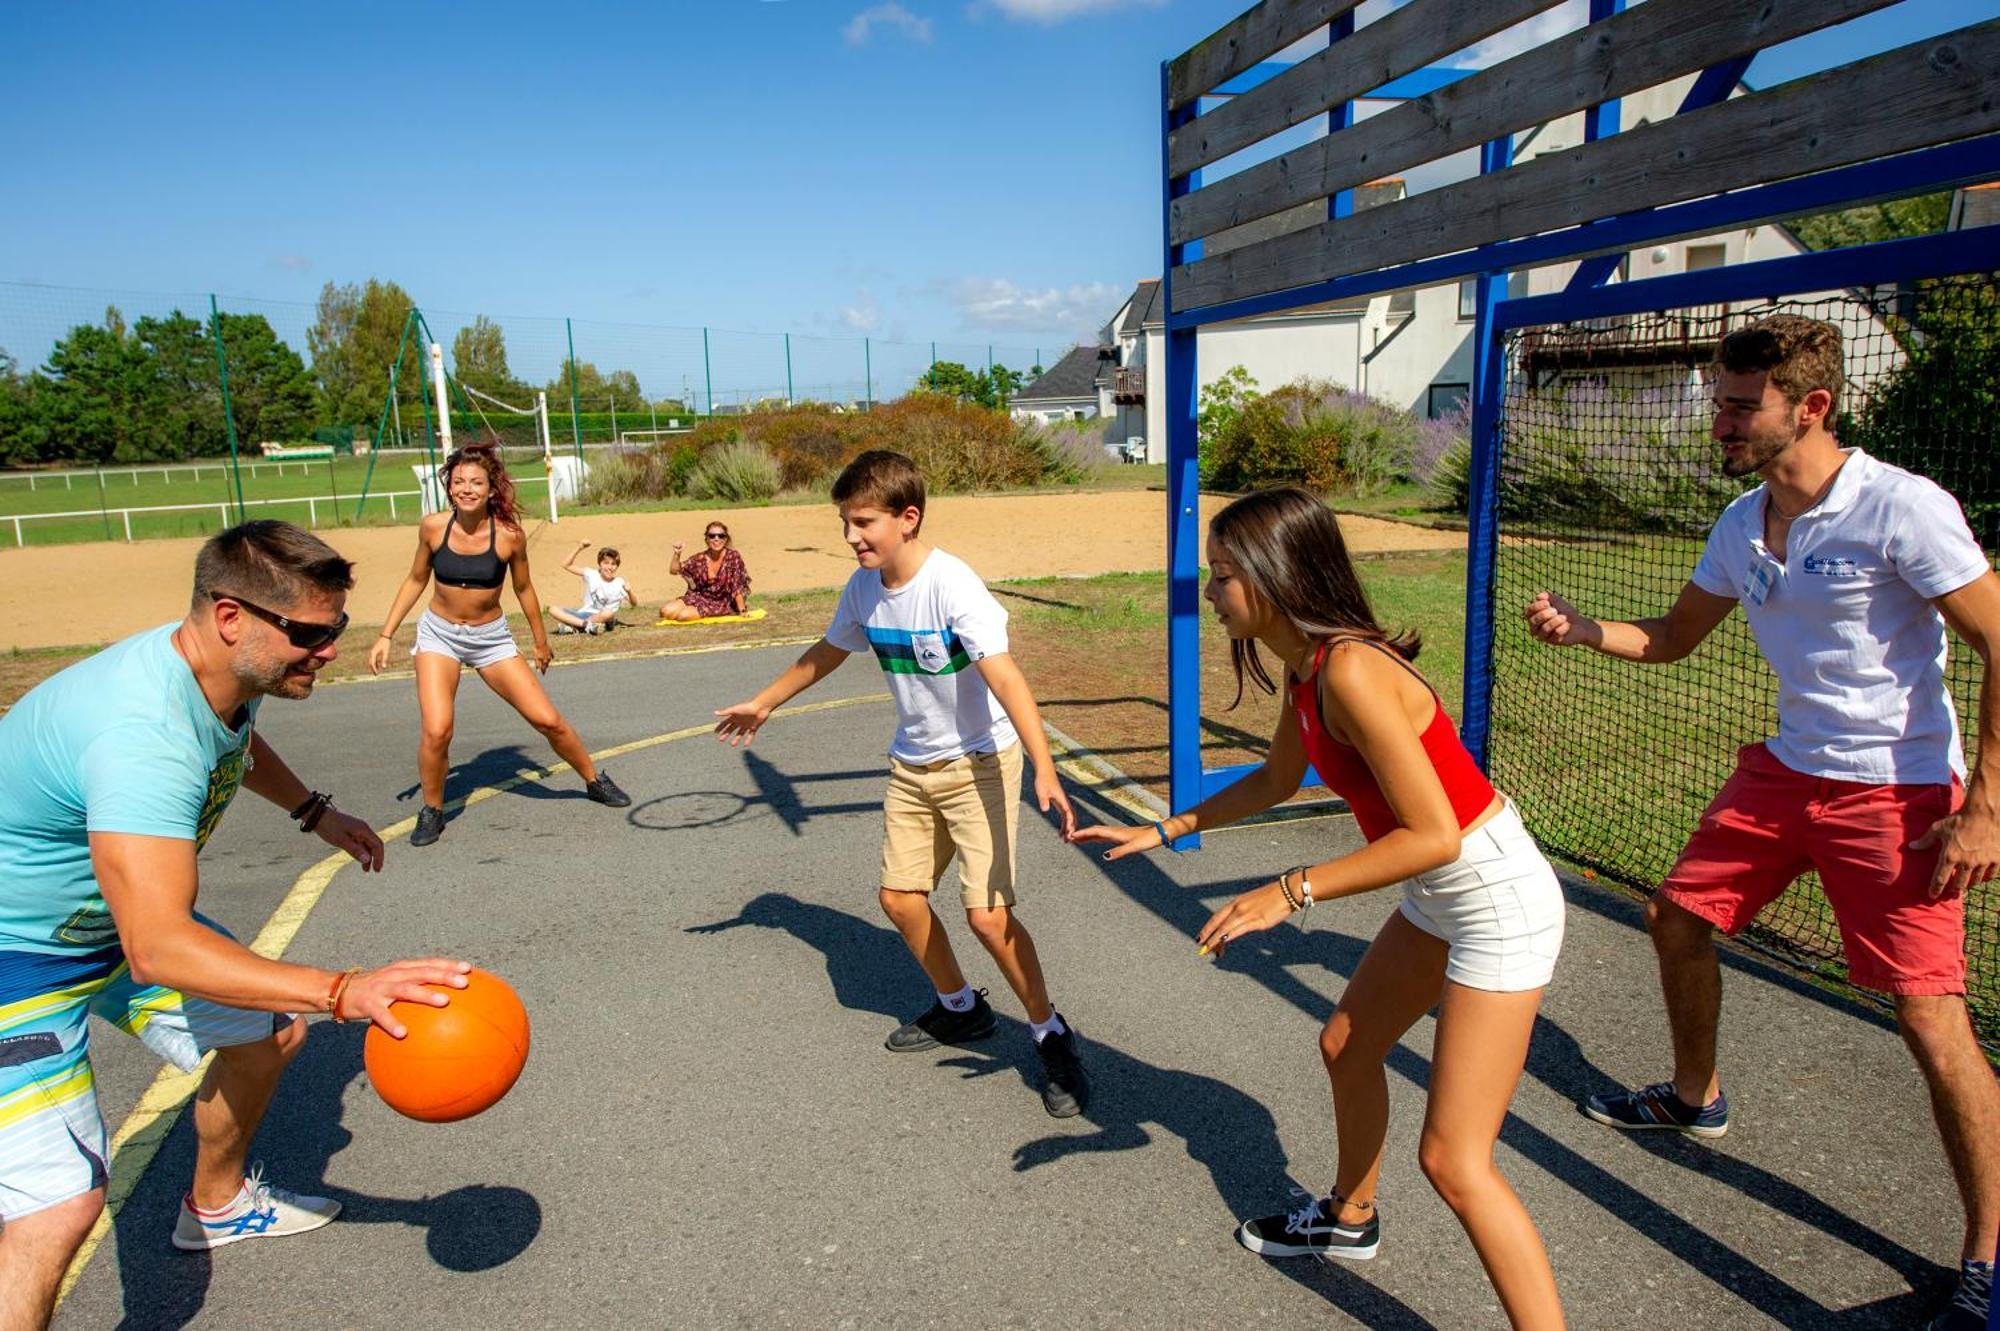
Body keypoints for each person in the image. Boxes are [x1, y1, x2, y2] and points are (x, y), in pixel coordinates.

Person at [1523, 313, 2000, 1331]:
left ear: (1810, 406)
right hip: (1784, 772)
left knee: (1927, 1015)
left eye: (1741, 406)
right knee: (1676, 916)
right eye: (1717, 403)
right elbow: (1669, 638)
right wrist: (1579, 628)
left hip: (1895, 790)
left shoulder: (1898, 508)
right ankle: (1694, 1094)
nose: (1720, 422)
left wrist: (1982, 808)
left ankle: (1987, 1258)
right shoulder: (1741, 520)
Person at [1075, 487, 1568, 1329]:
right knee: (1346, 1045)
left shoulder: (1352, 671)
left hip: (1493, 896)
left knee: (1455, 1160)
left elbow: (1435, 836)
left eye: (1223, 575)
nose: (1209, 590)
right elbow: (1275, 778)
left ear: (1275, 576)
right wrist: (1169, 826)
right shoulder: (1307, 668)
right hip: (1446, 891)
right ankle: (1349, 1218)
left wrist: (1290, 888)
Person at [0, 521, 473, 1330]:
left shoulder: (210, 674)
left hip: (101, 927)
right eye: (311, 634)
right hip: (21, 963)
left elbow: (236, 744)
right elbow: (160, 947)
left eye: (337, 630)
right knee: (57, 1210)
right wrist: (342, 989)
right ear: (231, 617)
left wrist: (314, 811)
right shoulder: (141, 734)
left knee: (267, 1031)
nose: (328, 649)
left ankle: (213, 1204)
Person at [713, 450, 1091, 1117]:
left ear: (906, 517)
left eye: (863, 522)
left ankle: (1049, 1030)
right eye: (844, 523)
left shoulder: (952, 586)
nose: (851, 536)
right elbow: (829, 650)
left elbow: (1005, 678)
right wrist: (765, 700)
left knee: (987, 915)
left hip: (979, 762)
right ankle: (961, 1006)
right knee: (899, 898)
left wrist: (1046, 766)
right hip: (914, 765)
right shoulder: (863, 589)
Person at [367, 442, 629, 847]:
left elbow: (524, 588)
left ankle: (594, 779)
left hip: (492, 640)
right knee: (437, 730)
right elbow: (416, 580)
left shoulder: (509, 536)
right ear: (449, 487)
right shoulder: (433, 527)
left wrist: (541, 642)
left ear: (491, 489)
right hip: (440, 636)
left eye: (476, 482)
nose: (466, 489)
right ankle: (432, 810)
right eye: (458, 482)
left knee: (547, 720)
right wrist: (385, 635)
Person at [661, 521, 751, 622]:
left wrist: (742, 610)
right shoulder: (700, 559)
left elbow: (737, 587)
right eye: (712, 536)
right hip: (699, 597)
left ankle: (691, 611)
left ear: (726, 539)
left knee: (683, 616)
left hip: (721, 602)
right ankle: (687, 607)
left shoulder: (733, 557)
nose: (716, 539)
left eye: (721, 536)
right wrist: (677, 554)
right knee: (666, 611)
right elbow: (674, 571)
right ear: (707, 539)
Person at [551, 542, 633, 636]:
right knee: (553, 609)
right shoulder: (591, 574)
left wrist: (629, 592)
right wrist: (580, 547)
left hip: (604, 618)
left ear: (617, 566)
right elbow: (566, 565)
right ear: (600, 564)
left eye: (613, 564)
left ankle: (574, 626)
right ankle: (585, 626)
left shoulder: (619, 582)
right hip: (585, 614)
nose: (609, 567)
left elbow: (634, 604)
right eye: (606, 563)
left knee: (608, 613)